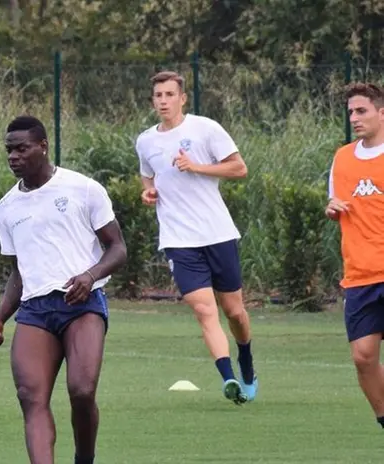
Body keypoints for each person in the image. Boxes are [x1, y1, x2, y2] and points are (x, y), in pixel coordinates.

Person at [0, 115, 128, 464]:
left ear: (43, 146)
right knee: (31, 397)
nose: (13, 156)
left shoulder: (83, 188)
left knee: (81, 391)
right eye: (9, 150)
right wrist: (0, 317)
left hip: (82, 305)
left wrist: (89, 276)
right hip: (34, 312)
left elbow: (118, 248)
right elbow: (19, 273)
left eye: (22, 148)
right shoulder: (7, 207)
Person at [133, 70, 257, 405]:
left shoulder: (206, 129)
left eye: (169, 95)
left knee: (234, 312)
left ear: (182, 98)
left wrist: (197, 167)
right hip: (178, 240)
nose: (163, 101)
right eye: (158, 95)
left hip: (217, 234)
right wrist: (149, 193)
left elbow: (239, 168)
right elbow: (148, 177)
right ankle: (229, 379)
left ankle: (245, 355)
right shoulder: (145, 141)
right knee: (204, 311)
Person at [326, 82, 384, 431]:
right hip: (360, 275)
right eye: (350, 112)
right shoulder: (342, 157)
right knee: (363, 358)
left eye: (361, 111)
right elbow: (337, 202)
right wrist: (332, 208)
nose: (354, 118)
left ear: (382, 113)